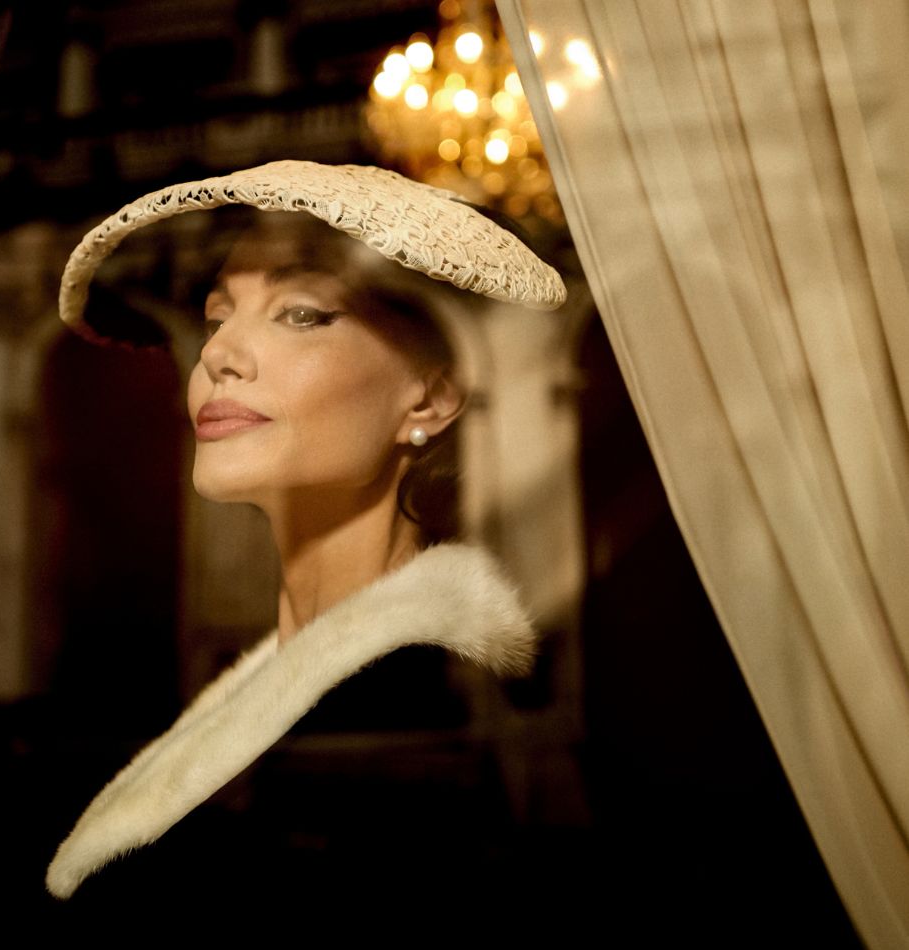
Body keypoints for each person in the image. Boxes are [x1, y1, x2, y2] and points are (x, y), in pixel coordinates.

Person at [45, 161, 564, 901]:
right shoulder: (293, 679)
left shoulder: (382, 717)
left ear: (433, 397)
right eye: (220, 316)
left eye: (301, 314)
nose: (217, 354)